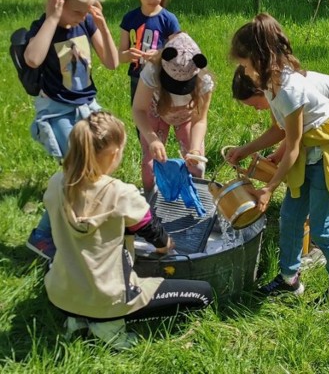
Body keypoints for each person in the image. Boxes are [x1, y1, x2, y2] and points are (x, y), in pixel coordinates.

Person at [226, 14, 329, 310]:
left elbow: (290, 148)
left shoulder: (287, 88)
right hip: (307, 154)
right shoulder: (268, 82)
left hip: (328, 153)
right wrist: (246, 149)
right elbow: (280, 129)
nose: (244, 69)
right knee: (290, 218)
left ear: (259, 58)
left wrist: (269, 188)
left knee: (323, 228)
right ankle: (290, 280)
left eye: (245, 63)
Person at [44, 111, 212, 350]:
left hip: (61, 293)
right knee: (203, 294)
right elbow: (152, 231)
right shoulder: (120, 193)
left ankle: (78, 320)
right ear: (114, 154)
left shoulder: (56, 182)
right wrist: (167, 245)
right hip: (108, 299)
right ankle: (107, 327)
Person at [24, 0, 119, 259]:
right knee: (78, 171)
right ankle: (42, 236)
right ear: (59, 3)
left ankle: (76, 225)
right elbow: (32, 58)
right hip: (57, 112)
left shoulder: (86, 23)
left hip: (87, 107)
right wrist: (52, 18)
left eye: (86, 11)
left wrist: (101, 26)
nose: (82, 17)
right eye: (78, 12)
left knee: (92, 168)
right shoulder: (46, 25)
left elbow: (112, 62)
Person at [232, 65, 329, 162]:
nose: (256, 109)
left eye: (255, 104)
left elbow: (285, 132)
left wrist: (247, 150)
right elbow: (282, 128)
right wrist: (277, 155)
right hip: (322, 122)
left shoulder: (289, 94)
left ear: (261, 90)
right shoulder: (274, 91)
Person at [132, 33, 213, 198]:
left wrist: (195, 148)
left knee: (196, 167)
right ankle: (150, 201)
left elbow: (200, 119)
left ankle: (193, 202)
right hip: (156, 112)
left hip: (186, 117)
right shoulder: (152, 70)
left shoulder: (203, 80)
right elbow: (139, 109)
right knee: (150, 165)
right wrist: (153, 140)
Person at [120, 0, 181, 103]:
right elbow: (120, 56)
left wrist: (159, 55)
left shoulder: (169, 20)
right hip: (137, 77)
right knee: (140, 116)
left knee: (161, 118)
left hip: (162, 77)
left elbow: (178, 52)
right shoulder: (129, 19)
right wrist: (128, 55)